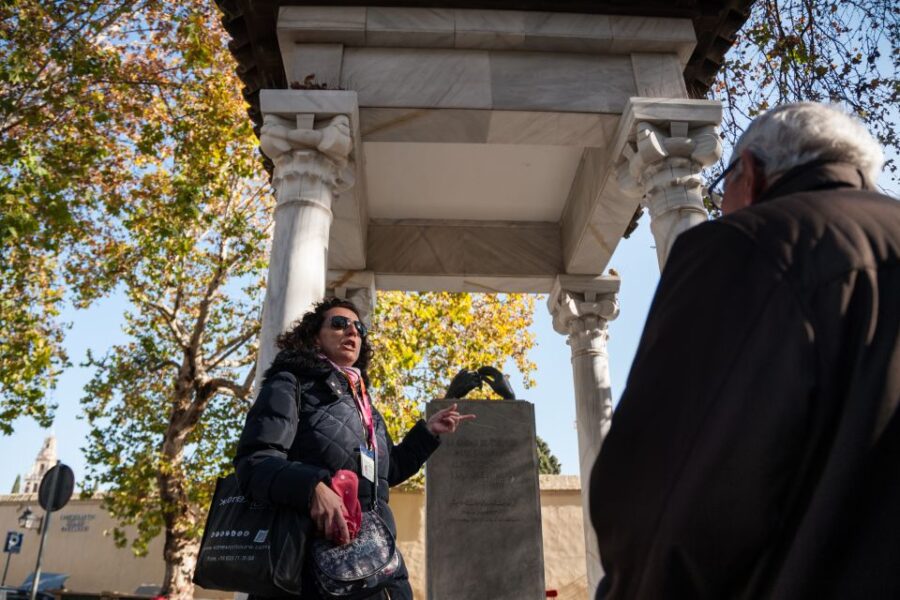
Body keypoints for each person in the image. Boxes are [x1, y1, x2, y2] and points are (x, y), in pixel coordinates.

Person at [590, 103, 899, 599]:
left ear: (750, 173)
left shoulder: (747, 248)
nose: (720, 205)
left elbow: (665, 496)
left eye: (723, 186)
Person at [234, 297, 474, 599]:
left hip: (378, 564)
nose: (352, 332)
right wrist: (313, 487)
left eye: (359, 328)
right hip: (313, 571)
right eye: (339, 323)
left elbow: (386, 475)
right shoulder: (290, 384)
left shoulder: (363, 403)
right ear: (314, 337)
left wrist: (427, 433)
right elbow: (255, 462)